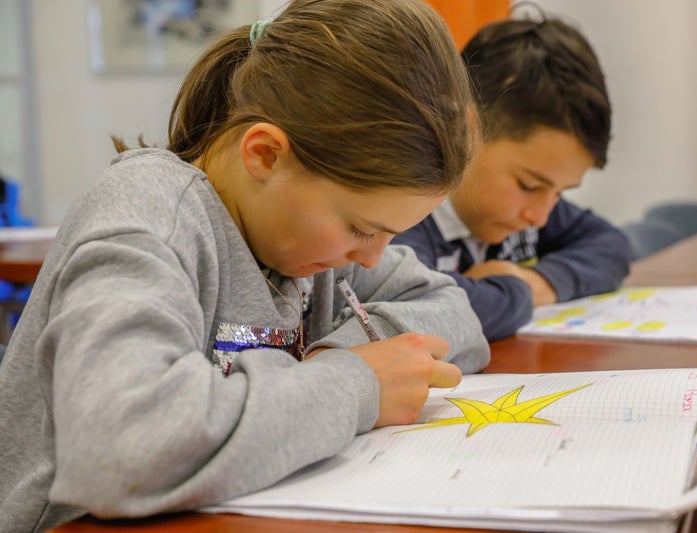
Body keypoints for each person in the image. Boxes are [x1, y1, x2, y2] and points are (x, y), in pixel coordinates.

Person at [0, 1, 490, 531]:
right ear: (264, 154)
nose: (372, 256)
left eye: (389, 234)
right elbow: (120, 450)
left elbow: (453, 308)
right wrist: (356, 383)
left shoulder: (305, 241)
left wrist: (341, 355)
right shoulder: (151, 217)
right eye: (361, 228)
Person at [393, 14, 633, 342]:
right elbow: (421, 308)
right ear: (463, 129)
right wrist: (517, 290)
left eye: (559, 193)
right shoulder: (400, 214)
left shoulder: (521, 213)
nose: (540, 216)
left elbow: (611, 245)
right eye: (529, 185)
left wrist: (539, 281)